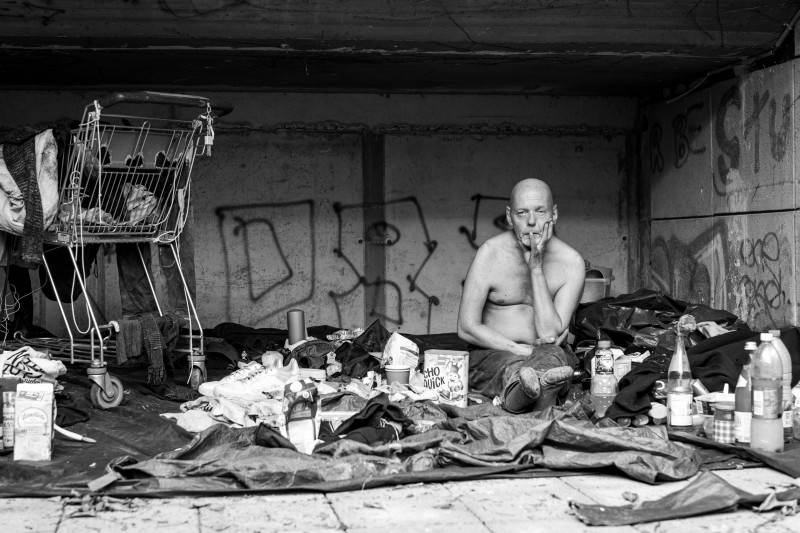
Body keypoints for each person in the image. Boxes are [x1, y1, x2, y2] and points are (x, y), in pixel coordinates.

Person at [457, 178, 585, 413]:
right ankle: (535, 392)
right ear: (509, 216)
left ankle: (528, 393)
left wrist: (536, 270)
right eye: (522, 213)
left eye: (540, 211)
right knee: (513, 367)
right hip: (493, 354)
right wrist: (518, 350)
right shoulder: (490, 253)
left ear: (554, 214)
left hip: (548, 354)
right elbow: (466, 327)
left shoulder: (571, 263)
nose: (532, 222)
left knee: (554, 357)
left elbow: (549, 335)